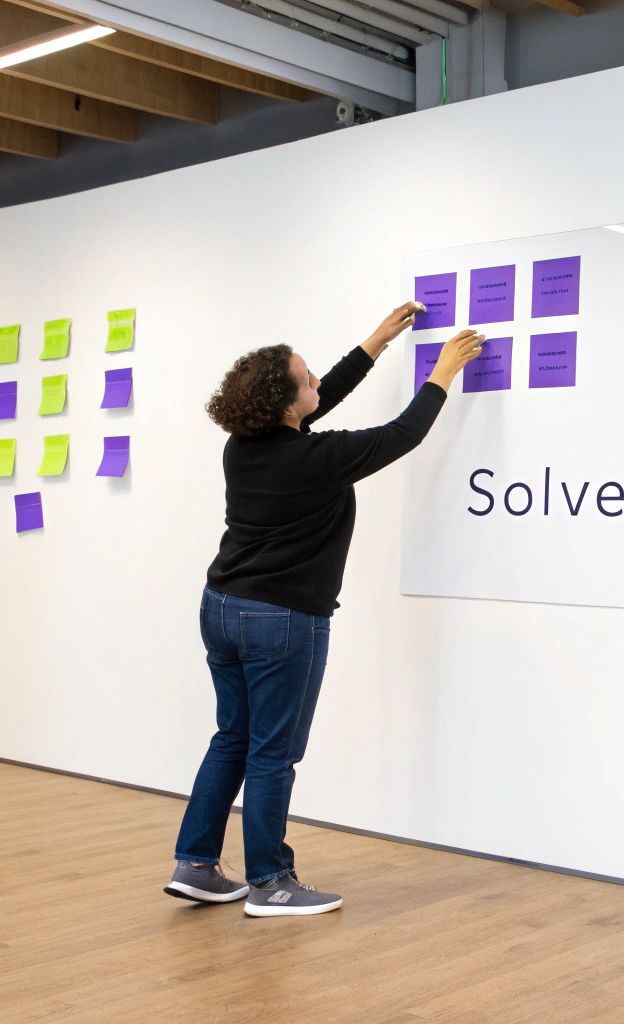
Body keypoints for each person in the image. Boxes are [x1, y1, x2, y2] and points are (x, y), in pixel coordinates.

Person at [164, 303, 485, 917]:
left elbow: (322, 398)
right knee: (273, 752)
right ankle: (271, 882)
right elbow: (402, 435)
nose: (317, 382)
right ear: (285, 406)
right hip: (281, 620)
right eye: (307, 378)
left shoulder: (245, 443)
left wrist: (375, 343)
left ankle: (197, 865)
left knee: (233, 738)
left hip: (223, 609)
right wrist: (442, 371)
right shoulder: (315, 460)